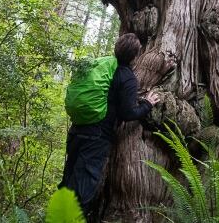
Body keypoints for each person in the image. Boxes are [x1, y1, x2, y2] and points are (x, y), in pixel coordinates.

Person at [59, 33, 162, 219]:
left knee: (69, 178)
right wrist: (147, 104)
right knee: (83, 185)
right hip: (97, 136)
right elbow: (128, 113)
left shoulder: (104, 65)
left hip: (77, 130)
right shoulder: (126, 76)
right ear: (135, 56)